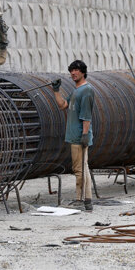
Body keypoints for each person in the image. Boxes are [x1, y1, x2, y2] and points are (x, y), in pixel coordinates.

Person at [51, 60, 95, 211]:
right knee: (82, 167)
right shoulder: (76, 91)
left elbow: (86, 116)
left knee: (80, 168)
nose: (73, 73)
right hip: (74, 135)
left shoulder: (86, 90)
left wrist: (84, 135)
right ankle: (85, 200)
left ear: (83, 72)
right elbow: (63, 105)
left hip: (78, 136)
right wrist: (56, 90)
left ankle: (82, 200)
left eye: (76, 70)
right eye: (71, 71)